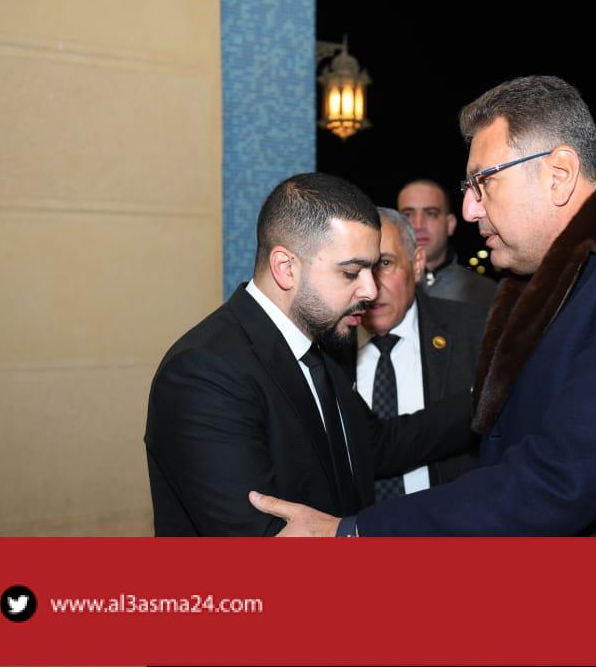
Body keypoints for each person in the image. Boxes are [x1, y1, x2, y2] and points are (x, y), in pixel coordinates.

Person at [250, 76, 596, 536]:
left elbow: (559, 480)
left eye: (483, 182)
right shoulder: (546, 284)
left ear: (558, 173)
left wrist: (352, 533)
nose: (469, 209)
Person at [145, 173, 474, 536]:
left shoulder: (320, 349)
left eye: (373, 268)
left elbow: (377, 445)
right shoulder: (204, 374)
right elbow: (262, 535)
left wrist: (490, 394)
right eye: (351, 272)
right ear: (286, 268)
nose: (370, 290)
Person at [334, 208, 485, 501]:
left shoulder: (474, 333)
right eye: (357, 269)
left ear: (416, 265)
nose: (370, 288)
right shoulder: (324, 350)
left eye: (385, 264)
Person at [397, 179, 496, 309]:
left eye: (431, 214)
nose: (418, 225)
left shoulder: (486, 293)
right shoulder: (381, 288)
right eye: (407, 214)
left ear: (450, 224)